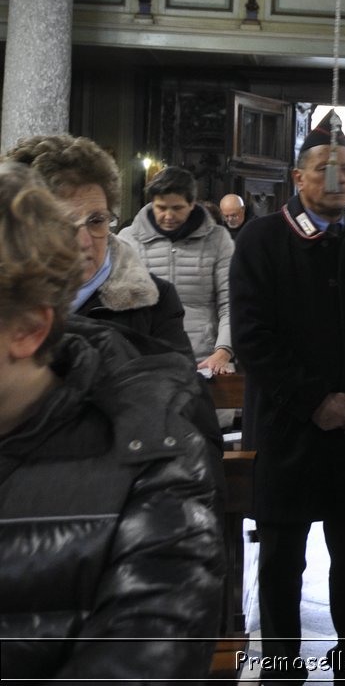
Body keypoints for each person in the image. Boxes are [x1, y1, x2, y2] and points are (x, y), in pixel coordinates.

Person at [0, 162, 224, 681]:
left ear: (30, 329)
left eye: (97, 221)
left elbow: (146, 652)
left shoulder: (154, 456)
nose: (87, 238)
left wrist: (222, 349)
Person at [231, 113, 345, 685]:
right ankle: (283, 669)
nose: (339, 178)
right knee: (282, 563)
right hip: (290, 433)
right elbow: (253, 337)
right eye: (325, 168)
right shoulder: (261, 239)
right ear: (297, 177)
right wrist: (315, 400)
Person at [2, 134, 188, 358]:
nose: (84, 242)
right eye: (63, 224)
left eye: (97, 221)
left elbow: (179, 388)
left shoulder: (154, 300)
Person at [120, 165, 235, 374]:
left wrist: (223, 350)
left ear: (191, 204)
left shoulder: (218, 240)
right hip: (146, 359)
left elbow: (231, 302)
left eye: (177, 208)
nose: (168, 216)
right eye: (161, 207)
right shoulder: (128, 240)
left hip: (204, 358)